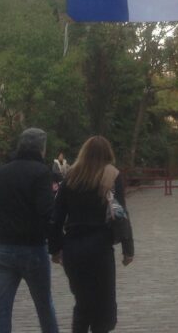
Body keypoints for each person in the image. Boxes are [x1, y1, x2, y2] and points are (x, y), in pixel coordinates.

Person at [49, 135, 134, 333]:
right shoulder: (112, 175)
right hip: (100, 247)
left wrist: (54, 248)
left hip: (73, 248)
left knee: (83, 303)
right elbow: (121, 214)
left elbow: (57, 216)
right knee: (104, 306)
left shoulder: (70, 176)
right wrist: (128, 248)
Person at [0, 127, 60, 333]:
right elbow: (47, 212)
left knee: (2, 305)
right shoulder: (41, 172)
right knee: (44, 304)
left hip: (6, 246)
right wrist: (55, 244)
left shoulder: (3, 171)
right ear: (41, 149)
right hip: (33, 246)